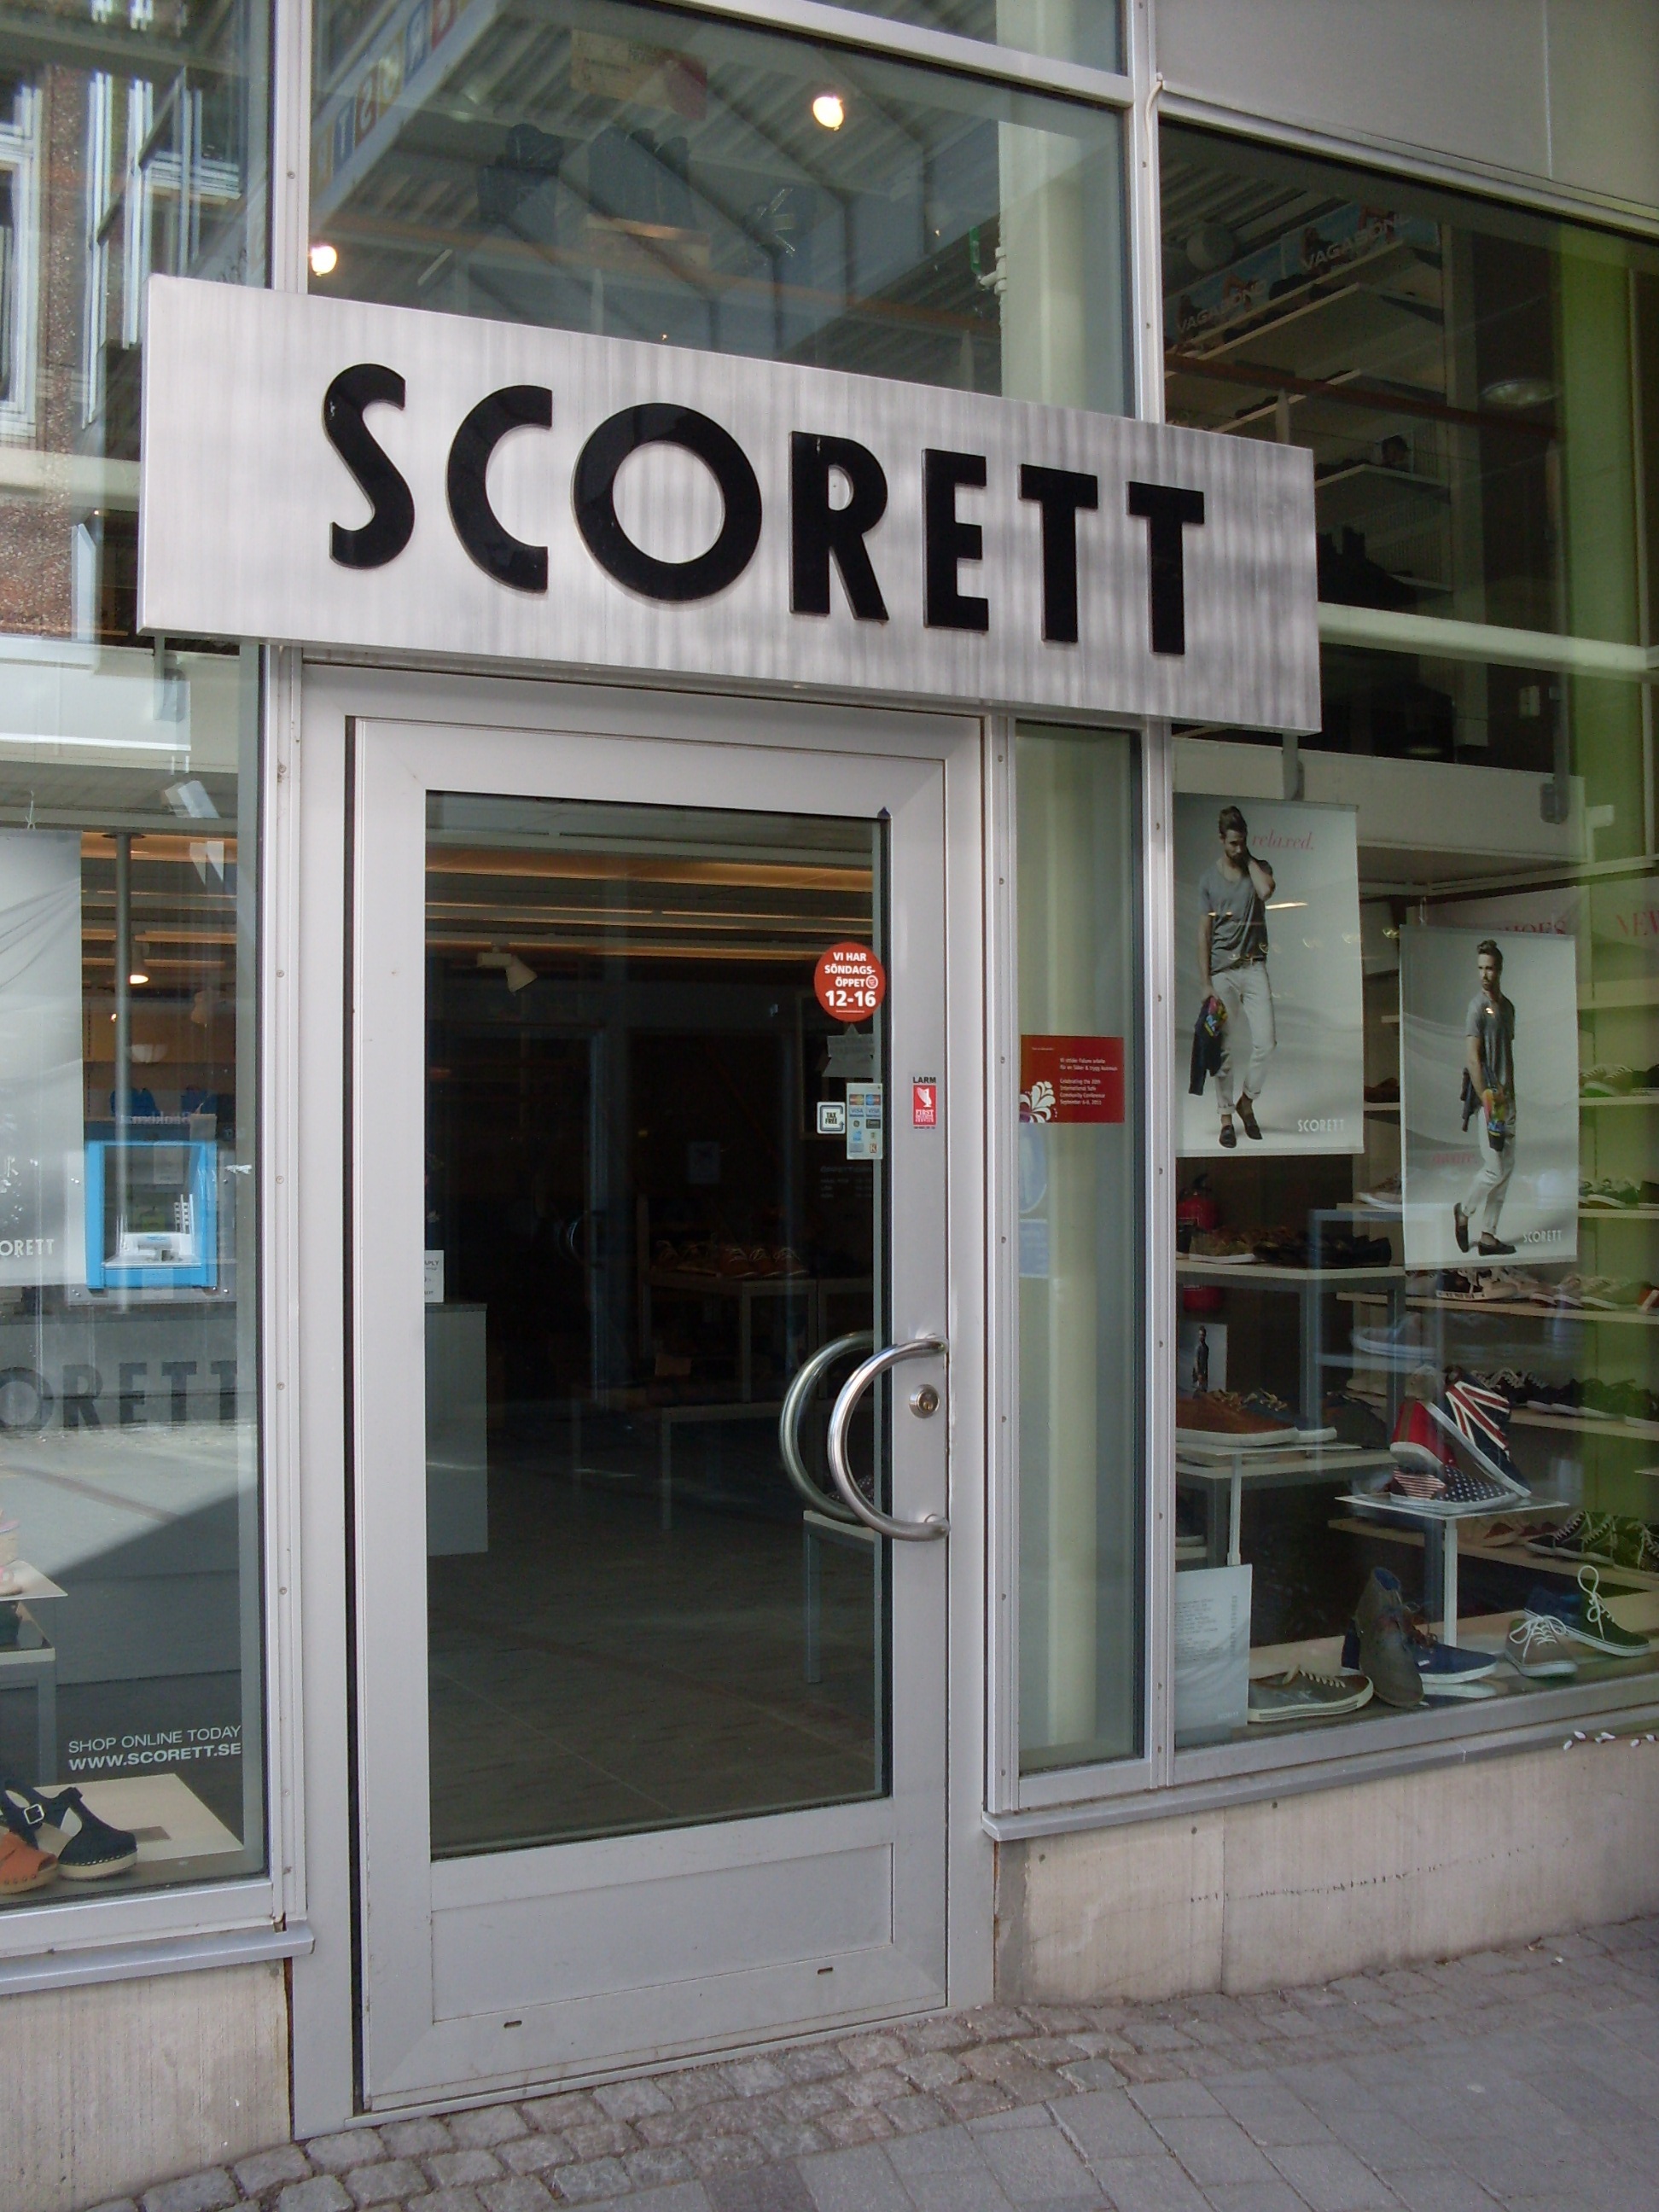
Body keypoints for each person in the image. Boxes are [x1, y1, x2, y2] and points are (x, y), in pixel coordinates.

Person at [1198, 805, 1277, 1148]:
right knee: (1224, 1048)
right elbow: (1204, 933)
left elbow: (1266, 891)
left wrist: (1248, 858)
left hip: (1254, 965)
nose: (1237, 848)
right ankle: (1226, 1118)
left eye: (1242, 842)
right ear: (1221, 840)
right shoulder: (1209, 880)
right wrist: (1205, 982)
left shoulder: (1257, 867)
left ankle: (1247, 1101)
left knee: (1266, 1043)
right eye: (1232, 843)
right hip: (1223, 972)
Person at [1454, 938, 1516, 1258]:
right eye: (1480, 968)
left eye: (1490, 968)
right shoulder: (1476, 1008)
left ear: (1500, 969)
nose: (1484, 975)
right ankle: (1464, 1211)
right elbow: (1473, 1059)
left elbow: (1507, 1053)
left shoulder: (1508, 1008)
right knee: (1494, 1168)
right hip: (1490, 1100)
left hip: (1508, 1099)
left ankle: (1489, 1235)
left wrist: (1508, 1095)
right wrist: (1487, 1100)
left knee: (1507, 1167)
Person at [1191, 1325, 1210, 1394]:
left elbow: (1206, 1361)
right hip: (1197, 1374)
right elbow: (1196, 1361)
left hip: (1204, 1374)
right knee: (1197, 1392)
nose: (1201, 1337)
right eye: (1199, 1335)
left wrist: (1205, 1374)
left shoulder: (1206, 1348)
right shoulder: (1198, 1347)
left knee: (1204, 1392)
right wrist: (1198, 1374)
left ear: (1205, 1336)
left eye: (1202, 1335)